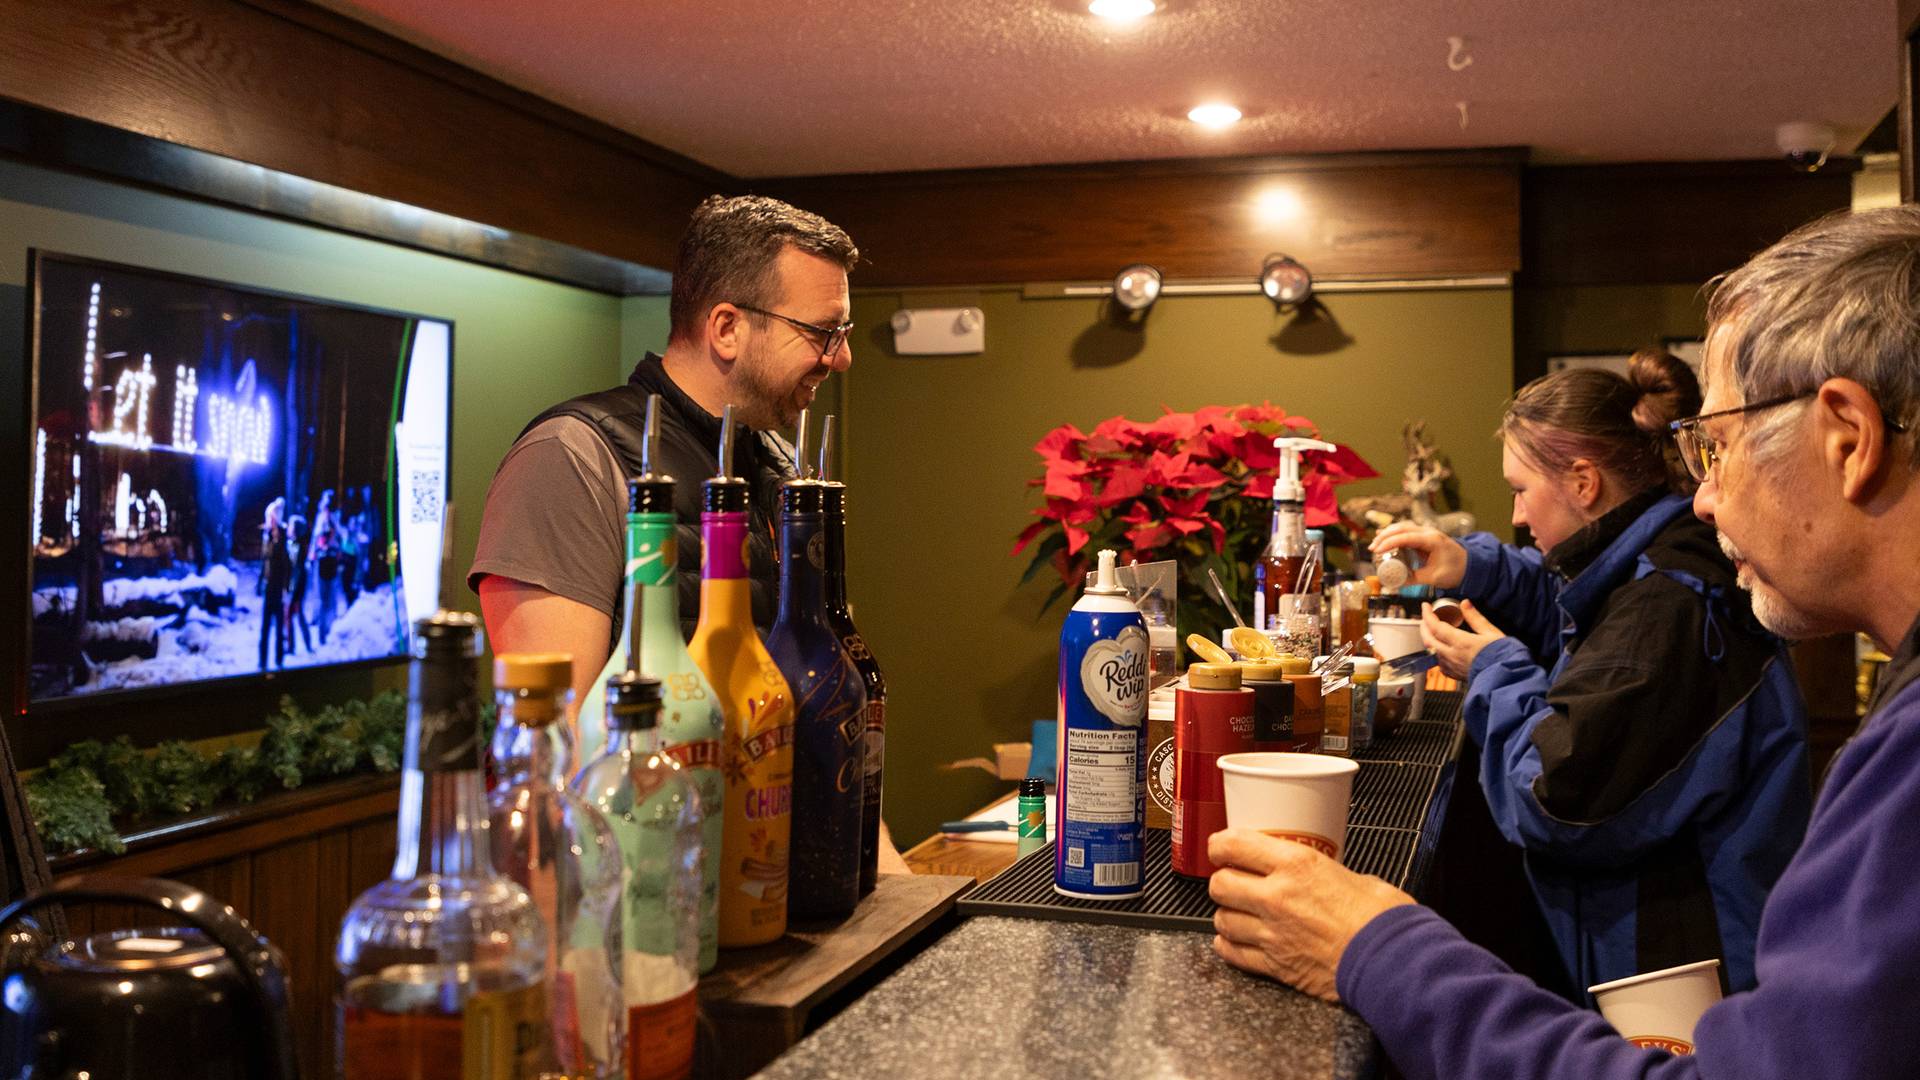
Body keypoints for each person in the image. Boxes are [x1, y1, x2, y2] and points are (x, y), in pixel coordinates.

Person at [1207, 205, 1920, 1077]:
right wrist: (1475, 570)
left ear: (1848, 439)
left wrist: (1375, 947)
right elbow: (1569, 602)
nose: (1704, 497)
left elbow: (1557, 793)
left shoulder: (1689, 609)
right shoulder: (1671, 580)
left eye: (1720, 448)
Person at [1364, 352, 1810, 996]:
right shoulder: (1653, 562)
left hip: (1688, 978)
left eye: (1521, 490)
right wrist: (1471, 566)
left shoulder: (1667, 610)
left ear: (1582, 482)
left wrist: (1494, 670)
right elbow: (1578, 612)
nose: (1516, 516)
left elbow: (1554, 796)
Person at [471, 194, 856, 707]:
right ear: (726, 328)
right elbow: (555, 740)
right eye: (823, 333)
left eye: (843, 334)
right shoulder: (572, 456)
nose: (843, 358)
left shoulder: (781, 463)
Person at [257, 497, 289, 669]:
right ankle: (262, 661)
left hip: (279, 587)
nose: (269, 520)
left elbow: (286, 564)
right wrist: (259, 583)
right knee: (265, 627)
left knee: (278, 628)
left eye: (272, 517)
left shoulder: (283, 535)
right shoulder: (267, 537)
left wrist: (286, 588)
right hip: (269, 587)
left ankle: (279, 660)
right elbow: (264, 561)